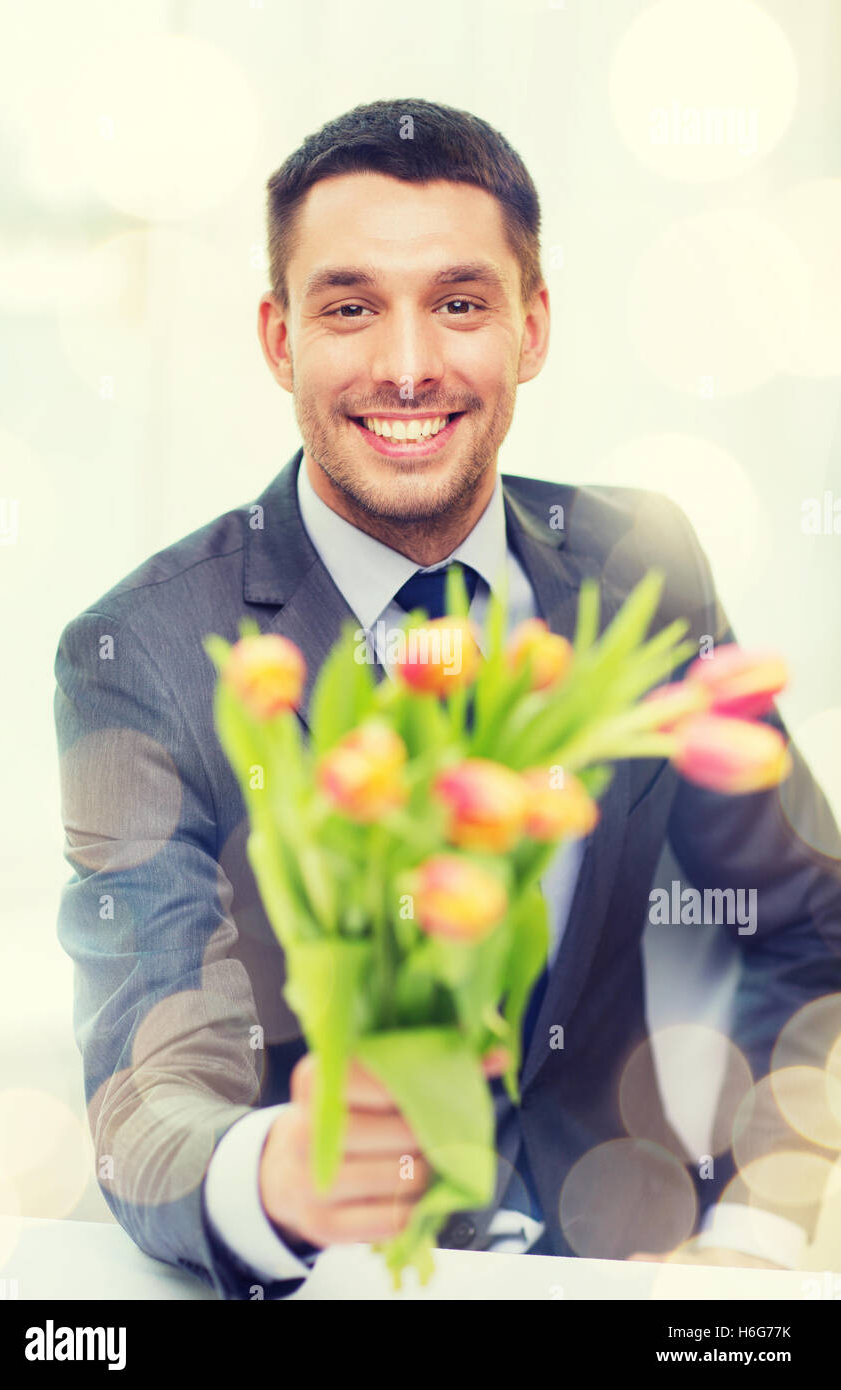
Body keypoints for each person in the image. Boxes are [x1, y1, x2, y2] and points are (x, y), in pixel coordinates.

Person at [54, 98, 841, 1300]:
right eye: (350, 306)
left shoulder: (640, 564)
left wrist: (756, 1235)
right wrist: (273, 1176)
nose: (408, 366)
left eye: (459, 303)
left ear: (530, 328)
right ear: (278, 339)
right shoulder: (143, 647)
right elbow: (146, 1084)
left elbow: (809, 924)